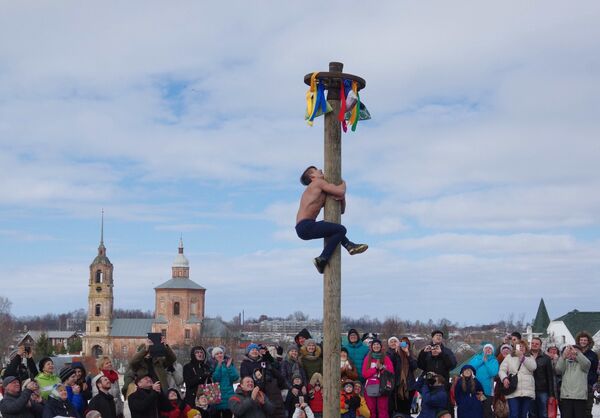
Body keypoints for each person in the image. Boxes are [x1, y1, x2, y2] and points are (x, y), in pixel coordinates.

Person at [295, 166, 368, 273]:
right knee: (340, 229)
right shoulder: (318, 183)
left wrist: (342, 198)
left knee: (333, 227)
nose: (320, 170)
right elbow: (340, 192)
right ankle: (322, 258)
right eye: (317, 170)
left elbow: (341, 210)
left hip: (304, 227)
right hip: (306, 225)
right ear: (312, 176)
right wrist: (343, 183)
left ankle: (349, 246)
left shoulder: (320, 191)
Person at [240, 343, 286, 418]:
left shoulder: (263, 361)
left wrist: (267, 354)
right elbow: (244, 377)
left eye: (256, 350)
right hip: (255, 391)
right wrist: (255, 377)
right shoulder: (245, 363)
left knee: (272, 410)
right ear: (248, 352)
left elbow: (276, 368)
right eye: (252, 350)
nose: (254, 351)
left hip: (268, 390)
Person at [417, 330, 457, 416]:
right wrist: (423, 353)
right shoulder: (427, 350)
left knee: (443, 411)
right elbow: (420, 365)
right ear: (432, 338)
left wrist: (441, 354)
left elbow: (452, 365)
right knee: (428, 409)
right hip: (429, 386)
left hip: (442, 386)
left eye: (440, 335)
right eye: (436, 335)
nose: (438, 337)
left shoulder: (447, 351)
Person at [498, 340, 536, 418]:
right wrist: (504, 378)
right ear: (515, 348)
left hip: (527, 390)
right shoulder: (509, 357)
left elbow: (533, 367)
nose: (521, 348)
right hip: (513, 389)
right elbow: (502, 370)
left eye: (523, 346)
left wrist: (522, 357)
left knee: (523, 415)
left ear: (526, 348)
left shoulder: (530, 357)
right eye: (519, 346)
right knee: (514, 414)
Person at [556, 344, 591, 418]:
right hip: (566, 397)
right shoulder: (565, 362)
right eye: (571, 351)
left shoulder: (584, 364)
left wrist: (577, 354)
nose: (572, 353)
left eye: (575, 352)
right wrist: (563, 356)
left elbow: (587, 364)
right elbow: (558, 370)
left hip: (580, 397)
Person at [362, 338, 394, 418]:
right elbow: (365, 374)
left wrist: (382, 369)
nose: (376, 346)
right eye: (374, 345)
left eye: (378, 344)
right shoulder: (367, 358)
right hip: (370, 386)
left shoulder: (386, 358)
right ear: (372, 347)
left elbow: (391, 373)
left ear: (381, 346)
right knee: (371, 409)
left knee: (383, 409)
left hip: (383, 386)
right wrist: (375, 369)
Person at [387, 336, 417, 416]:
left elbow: (414, 366)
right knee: (398, 409)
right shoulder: (392, 354)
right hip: (397, 386)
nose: (394, 343)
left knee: (407, 409)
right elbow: (391, 366)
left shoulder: (409, 353)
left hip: (409, 386)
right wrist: (396, 353)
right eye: (391, 342)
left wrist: (407, 353)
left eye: (406, 344)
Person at [468, 343, 499, 418]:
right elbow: (470, 368)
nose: (488, 350)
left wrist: (486, 362)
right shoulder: (477, 357)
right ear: (483, 350)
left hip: (487, 391)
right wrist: (482, 360)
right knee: (476, 410)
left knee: (486, 410)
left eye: (490, 348)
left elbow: (493, 373)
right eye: (486, 348)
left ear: (492, 351)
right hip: (475, 389)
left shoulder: (494, 361)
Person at [528, 337, 555, 418]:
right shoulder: (526, 356)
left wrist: (551, 394)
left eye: (536, 344)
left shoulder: (546, 358)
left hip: (543, 390)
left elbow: (550, 377)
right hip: (529, 389)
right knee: (532, 413)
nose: (534, 345)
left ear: (540, 346)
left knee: (543, 413)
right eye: (532, 343)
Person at [575, 331, 599, 418]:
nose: (583, 342)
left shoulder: (593, 355)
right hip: (576, 385)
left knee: (587, 409)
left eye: (585, 340)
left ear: (588, 342)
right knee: (578, 410)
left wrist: (592, 382)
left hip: (587, 384)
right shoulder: (574, 353)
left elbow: (595, 370)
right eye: (581, 340)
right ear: (578, 341)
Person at [211, 346, 239, 418]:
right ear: (213, 356)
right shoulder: (212, 365)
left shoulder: (228, 363)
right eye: (217, 354)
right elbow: (215, 379)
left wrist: (229, 367)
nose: (219, 355)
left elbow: (235, 377)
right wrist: (219, 366)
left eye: (221, 353)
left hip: (228, 396)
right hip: (216, 396)